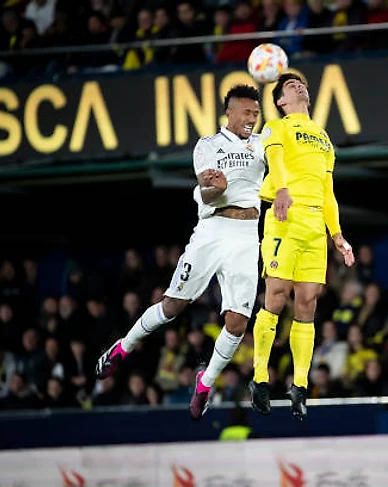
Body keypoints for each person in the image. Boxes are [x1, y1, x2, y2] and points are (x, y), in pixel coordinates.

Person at [95, 85, 265, 420]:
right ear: (229, 112)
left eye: (256, 114)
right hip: (212, 230)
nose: (251, 119)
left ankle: (206, 383)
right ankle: (123, 347)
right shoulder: (208, 146)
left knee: (238, 323)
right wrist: (215, 188)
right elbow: (208, 191)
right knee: (173, 306)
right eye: (246, 112)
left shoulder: (263, 146)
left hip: (247, 235)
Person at [249, 73, 355, 420]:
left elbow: (328, 191)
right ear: (280, 100)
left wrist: (337, 235)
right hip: (285, 216)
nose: (299, 87)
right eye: (290, 86)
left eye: (301, 85)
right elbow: (276, 162)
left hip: (313, 226)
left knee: (307, 303)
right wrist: (280, 190)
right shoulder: (276, 128)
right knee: (277, 295)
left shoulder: (324, 138)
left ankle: (300, 386)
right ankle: (260, 378)